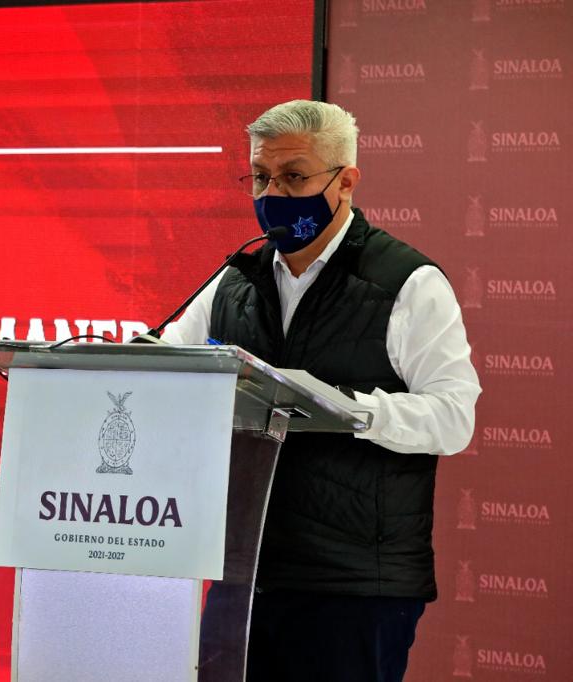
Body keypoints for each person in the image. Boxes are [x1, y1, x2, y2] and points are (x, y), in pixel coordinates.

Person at [162, 100, 481, 682]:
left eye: (293, 176)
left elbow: (453, 417)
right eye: (260, 177)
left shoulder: (407, 283)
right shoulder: (234, 280)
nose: (273, 194)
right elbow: (165, 365)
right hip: (244, 573)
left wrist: (346, 409)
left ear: (346, 182)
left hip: (354, 583)